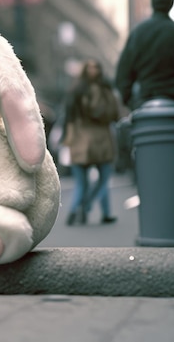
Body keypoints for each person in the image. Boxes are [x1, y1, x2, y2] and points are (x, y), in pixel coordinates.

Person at [115, 0, 174, 109]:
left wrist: (130, 101)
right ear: (171, 4)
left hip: (146, 101)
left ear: (152, 3)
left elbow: (123, 74)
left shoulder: (138, 33)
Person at [63, 60, 120, 225]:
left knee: (84, 182)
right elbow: (113, 114)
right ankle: (89, 207)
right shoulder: (103, 90)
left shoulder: (76, 91)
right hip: (99, 139)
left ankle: (76, 210)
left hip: (80, 140)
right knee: (103, 179)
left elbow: (69, 117)